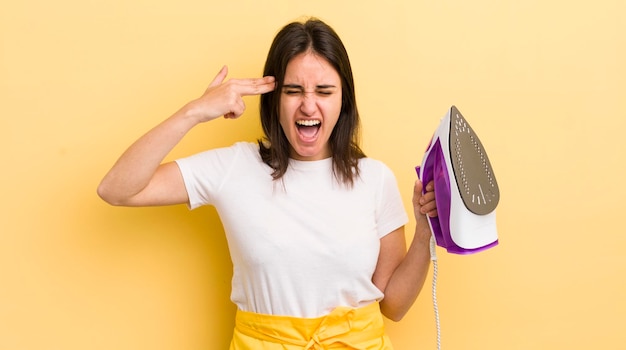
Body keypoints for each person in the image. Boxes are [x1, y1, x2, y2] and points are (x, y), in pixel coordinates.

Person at [98, 18, 437, 349]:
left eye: (324, 91)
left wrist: (424, 233)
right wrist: (195, 111)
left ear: (343, 99)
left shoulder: (375, 179)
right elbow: (117, 189)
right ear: (274, 99)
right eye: (293, 90)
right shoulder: (234, 167)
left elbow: (393, 306)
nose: (308, 104)